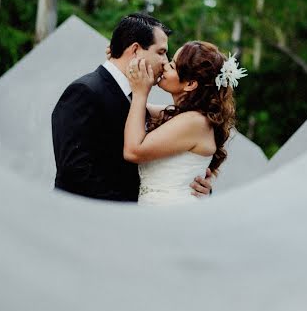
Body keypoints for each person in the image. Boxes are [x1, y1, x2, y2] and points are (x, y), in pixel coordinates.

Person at [51, 14, 213, 201]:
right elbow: (74, 173)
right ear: (135, 50)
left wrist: (191, 189)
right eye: (161, 52)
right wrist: (129, 214)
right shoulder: (84, 91)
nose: (165, 62)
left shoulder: (137, 100)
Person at [122, 41, 246, 206]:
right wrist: (122, 62)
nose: (165, 65)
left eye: (172, 65)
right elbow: (134, 108)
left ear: (190, 84)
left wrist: (141, 93)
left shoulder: (195, 122)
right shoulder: (183, 116)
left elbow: (133, 151)